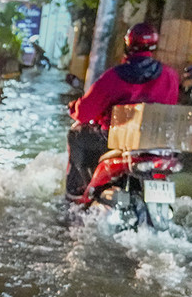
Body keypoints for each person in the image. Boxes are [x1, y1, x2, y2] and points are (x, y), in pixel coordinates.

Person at [64, 22, 180, 200]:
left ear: (128, 45)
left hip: (115, 140)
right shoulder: (170, 76)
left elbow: (85, 112)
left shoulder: (115, 76)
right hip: (155, 142)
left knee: (76, 134)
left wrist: (74, 108)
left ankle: (77, 192)